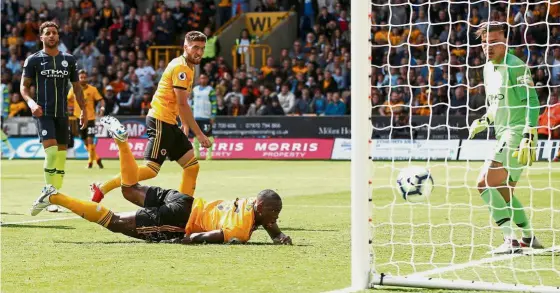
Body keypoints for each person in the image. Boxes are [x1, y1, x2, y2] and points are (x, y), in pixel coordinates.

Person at [30, 116, 292, 245]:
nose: (276, 217)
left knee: (130, 189)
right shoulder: (241, 229)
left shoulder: (251, 204)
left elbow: (268, 221)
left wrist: (278, 236)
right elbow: (207, 236)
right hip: (180, 220)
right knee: (116, 222)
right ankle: (53, 196)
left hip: (184, 200)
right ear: (260, 208)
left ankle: (123, 146)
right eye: (274, 212)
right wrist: (181, 241)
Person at [91, 31, 212, 202]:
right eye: (195, 48)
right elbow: (183, 103)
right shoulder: (181, 68)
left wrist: (184, 124)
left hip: (169, 122)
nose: (199, 52)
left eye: (202, 48)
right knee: (151, 169)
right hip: (160, 120)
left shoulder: (188, 67)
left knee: (192, 166)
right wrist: (199, 134)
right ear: (185, 47)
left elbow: (181, 103)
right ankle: (103, 187)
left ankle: (184, 208)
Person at [468, 22, 543, 254]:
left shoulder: (516, 67)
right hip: (502, 132)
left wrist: (529, 132)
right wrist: (484, 121)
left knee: (484, 184)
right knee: (504, 191)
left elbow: (532, 102)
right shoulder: (488, 68)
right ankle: (529, 238)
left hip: (517, 133)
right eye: (484, 42)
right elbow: (496, 104)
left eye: (493, 42)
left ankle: (510, 240)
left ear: (505, 42)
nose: (488, 47)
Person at [20, 21, 86, 194]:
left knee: (61, 158)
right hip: (43, 113)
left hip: (62, 113)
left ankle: (56, 193)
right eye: (47, 33)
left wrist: (84, 111)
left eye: (54, 33)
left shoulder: (69, 60)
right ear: (41, 37)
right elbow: (23, 87)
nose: (51, 36)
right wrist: (31, 102)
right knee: (51, 153)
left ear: (58, 36)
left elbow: (77, 88)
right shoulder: (33, 60)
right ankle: (49, 194)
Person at [67, 69, 105, 169]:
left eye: (84, 77)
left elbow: (101, 100)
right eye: (81, 77)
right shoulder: (73, 90)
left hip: (90, 118)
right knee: (84, 141)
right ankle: (97, 158)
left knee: (90, 140)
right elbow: (68, 100)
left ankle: (90, 162)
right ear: (78, 79)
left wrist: (102, 108)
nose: (83, 79)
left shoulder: (93, 89)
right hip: (78, 118)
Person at [190, 73, 217, 160]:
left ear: (207, 79)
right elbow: (193, 104)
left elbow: (214, 104)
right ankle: (196, 153)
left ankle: (209, 154)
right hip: (196, 116)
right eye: (201, 78)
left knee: (208, 135)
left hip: (206, 117)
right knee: (196, 135)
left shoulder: (210, 90)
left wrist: (213, 115)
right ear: (199, 80)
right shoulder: (195, 89)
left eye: (204, 78)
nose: (203, 80)